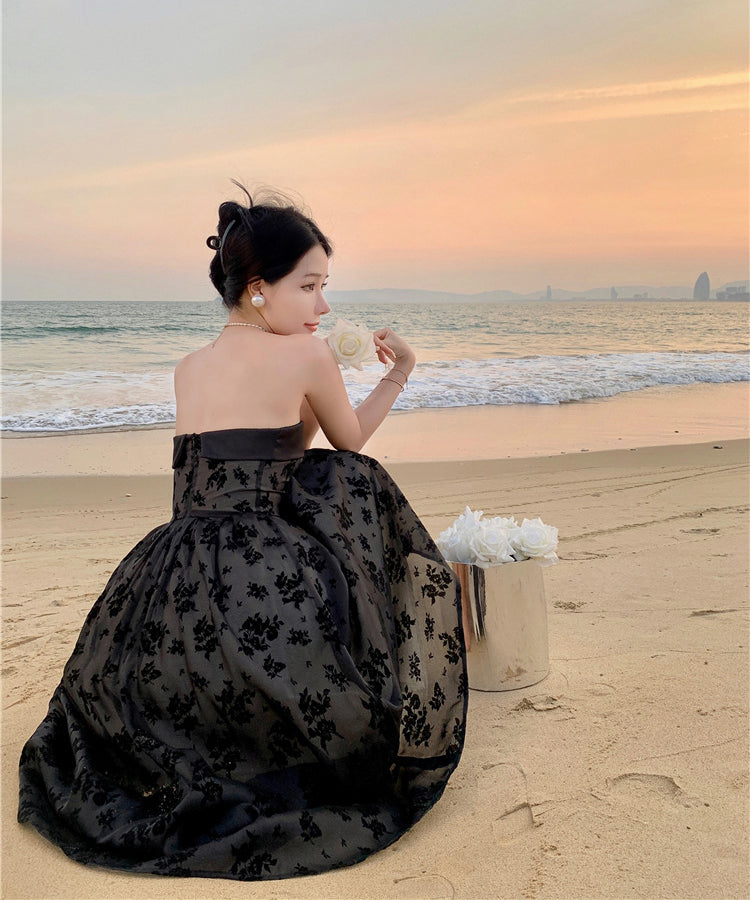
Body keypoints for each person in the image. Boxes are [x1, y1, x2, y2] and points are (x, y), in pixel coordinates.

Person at [18, 185, 467, 881]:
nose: (323, 307)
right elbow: (346, 441)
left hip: (172, 572)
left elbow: (240, 466)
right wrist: (400, 372)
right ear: (258, 287)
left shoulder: (189, 367)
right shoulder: (308, 356)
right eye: (310, 286)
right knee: (354, 479)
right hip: (262, 572)